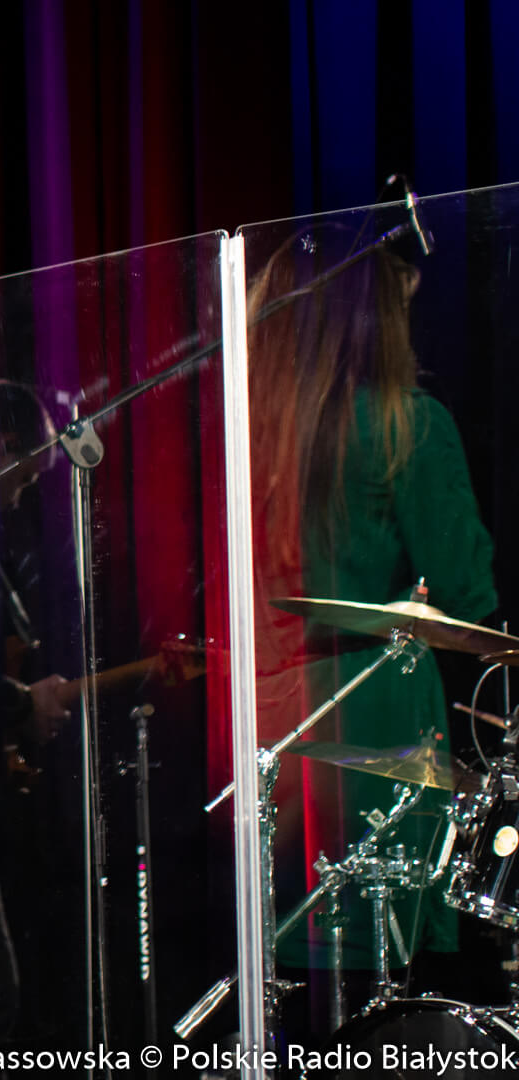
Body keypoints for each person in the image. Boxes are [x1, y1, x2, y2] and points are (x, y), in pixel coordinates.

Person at [248, 227, 500, 1019]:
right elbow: (468, 590)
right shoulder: (407, 424)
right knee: (391, 987)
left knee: (295, 981)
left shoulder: (255, 436)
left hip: (276, 724)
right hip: (377, 722)